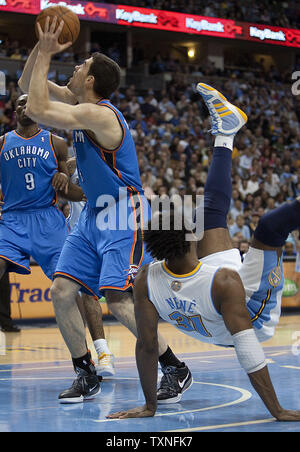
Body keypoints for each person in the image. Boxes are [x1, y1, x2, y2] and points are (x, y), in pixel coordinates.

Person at [108, 83, 300, 421]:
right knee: (269, 226)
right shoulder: (224, 282)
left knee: (211, 210)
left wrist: (149, 406)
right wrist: (278, 411)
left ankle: (225, 132)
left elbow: (147, 346)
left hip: (209, 309)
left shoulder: (146, 279)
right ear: (190, 239)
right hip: (250, 314)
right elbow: (248, 350)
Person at [22, 17, 190, 403]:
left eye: (81, 67)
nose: (75, 67)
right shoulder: (79, 103)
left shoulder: (101, 115)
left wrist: (48, 52)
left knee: (118, 299)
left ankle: (175, 367)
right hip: (93, 216)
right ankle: (86, 372)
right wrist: (40, 44)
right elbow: (24, 86)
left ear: (92, 81)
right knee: (62, 290)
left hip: (122, 213)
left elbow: (36, 107)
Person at [0, 94, 84, 315]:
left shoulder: (56, 142)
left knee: (68, 282)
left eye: (30, 102)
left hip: (47, 218)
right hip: (12, 218)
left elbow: (65, 182)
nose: (25, 106)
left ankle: (85, 344)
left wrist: (64, 178)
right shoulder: (2, 142)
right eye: (21, 103)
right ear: (14, 110)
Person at [66, 156, 115, 377]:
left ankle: (159, 355)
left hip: (109, 234)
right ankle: (98, 355)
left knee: (126, 300)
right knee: (77, 294)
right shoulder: (69, 164)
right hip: (79, 236)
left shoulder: (110, 161)